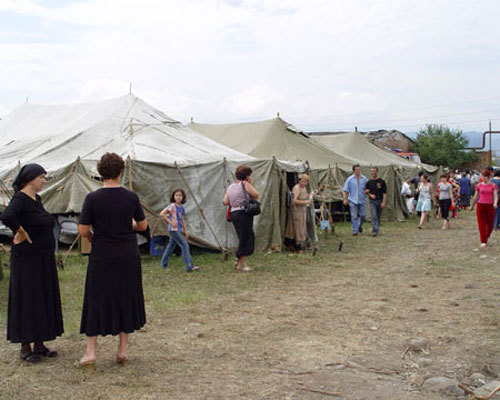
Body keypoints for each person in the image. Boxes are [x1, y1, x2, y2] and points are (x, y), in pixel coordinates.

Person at [76, 153, 148, 369]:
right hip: (127, 254)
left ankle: (90, 353)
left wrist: (94, 236)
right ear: (120, 172)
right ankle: (122, 351)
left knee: (96, 298)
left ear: (100, 172)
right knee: (125, 297)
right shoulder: (130, 197)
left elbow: (82, 230)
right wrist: (129, 226)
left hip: (102, 255)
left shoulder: (92, 198)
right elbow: (143, 226)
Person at [0, 164, 64, 363]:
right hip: (27, 258)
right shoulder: (20, 198)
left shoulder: (36, 199)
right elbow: (7, 216)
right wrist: (21, 232)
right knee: (28, 298)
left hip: (42, 257)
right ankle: (25, 347)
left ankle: (40, 343)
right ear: (30, 179)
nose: (44, 181)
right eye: (41, 178)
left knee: (41, 297)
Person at [223, 165, 259, 271]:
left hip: (234, 213)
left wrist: (235, 199)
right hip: (244, 213)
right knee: (247, 238)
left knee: (243, 237)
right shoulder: (245, 184)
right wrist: (250, 184)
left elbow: (225, 201)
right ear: (247, 176)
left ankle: (239, 260)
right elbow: (256, 195)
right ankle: (241, 264)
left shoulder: (231, 186)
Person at [159, 188, 199, 272]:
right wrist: (171, 222)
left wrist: (185, 230)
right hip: (173, 230)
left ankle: (163, 264)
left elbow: (182, 219)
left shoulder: (181, 207)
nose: (178, 197)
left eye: (180, 195)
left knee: (170, 247)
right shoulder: (172, 206)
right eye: (176, 195)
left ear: (183, 197)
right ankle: (189, 267)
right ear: (173, 197)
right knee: (185, 246)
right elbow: (162, 214)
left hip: (178, 229)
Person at [284, 174, 313, 250]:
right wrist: (305, 202)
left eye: (306, 182)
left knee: (302, 227)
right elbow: (294, 201)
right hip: (296, 210)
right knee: (296, 227)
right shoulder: (297, 188)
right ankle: (295, 245)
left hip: (302, 210)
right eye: (303, 181)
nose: (304, 183)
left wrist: (310, 196)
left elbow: (306, 196)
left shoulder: (304, 188)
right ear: (299, 180)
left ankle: (300, 244)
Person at [470, 169, 498, 247]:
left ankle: (487, 235)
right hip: (481, 205)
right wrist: (472, 206)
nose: (483, 178)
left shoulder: (493, 185)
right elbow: (475, 196)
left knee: (490, 224)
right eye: (482, 176)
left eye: (485, 176)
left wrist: (495, 203)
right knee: (481, 223)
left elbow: (495, 195)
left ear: (488, 177)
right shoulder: (479, 185)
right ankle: (483, 240)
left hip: (490, 205)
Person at [343, 164, 368, 236]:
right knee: (354, 216)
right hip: (352, 200)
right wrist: (345, 199)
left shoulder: (364, 179)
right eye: (357, 170)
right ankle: (355, 230)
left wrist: (368, 192)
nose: (358, 171)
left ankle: (359, 225)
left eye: (359, 169)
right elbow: (345, 190)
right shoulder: (350, 179)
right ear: (354, 171)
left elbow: (368, 187)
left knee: (363, 215)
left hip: (362, 199)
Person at [365, 167, 387, 236]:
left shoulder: (382, 182)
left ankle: (376, 227)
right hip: (372, 201)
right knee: (374, 216)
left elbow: (384, 193)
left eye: (374, 171)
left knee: (378, 216)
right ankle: (375, 231)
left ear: (377, 172)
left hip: (380, 201)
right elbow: (366, 191)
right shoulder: (369, 182)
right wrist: (370, 195)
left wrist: (383, 202)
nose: (373, 173)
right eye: (372, 171)